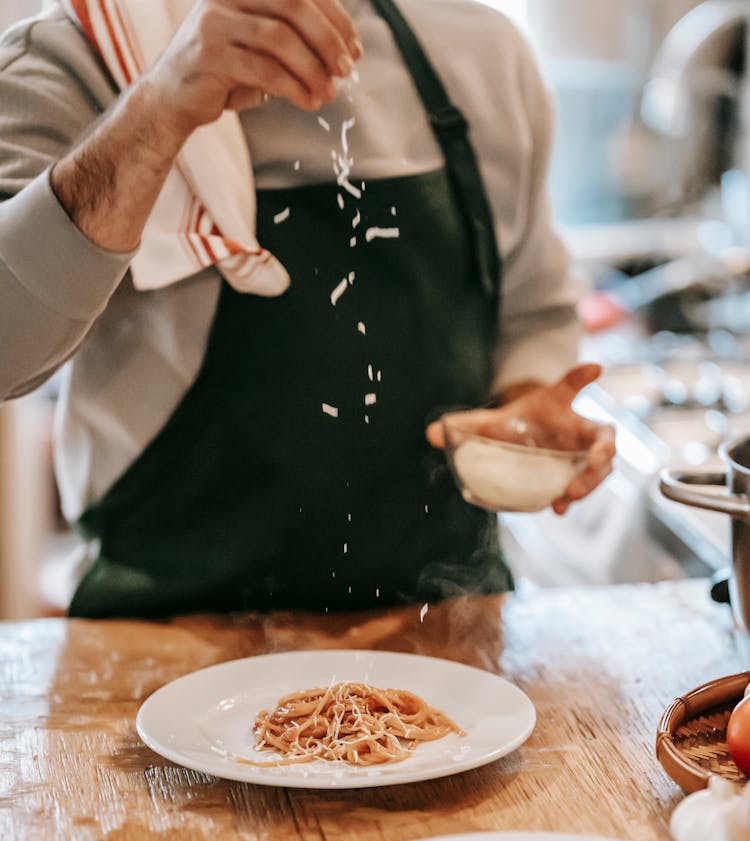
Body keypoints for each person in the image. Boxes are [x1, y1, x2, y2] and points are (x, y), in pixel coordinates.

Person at [0, 0, 615, 618]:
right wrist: (159, 106)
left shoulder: (483, 51)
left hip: (440, 624)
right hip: (163, 631)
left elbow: (533, 309)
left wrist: (529, 403)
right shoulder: (74, 53)